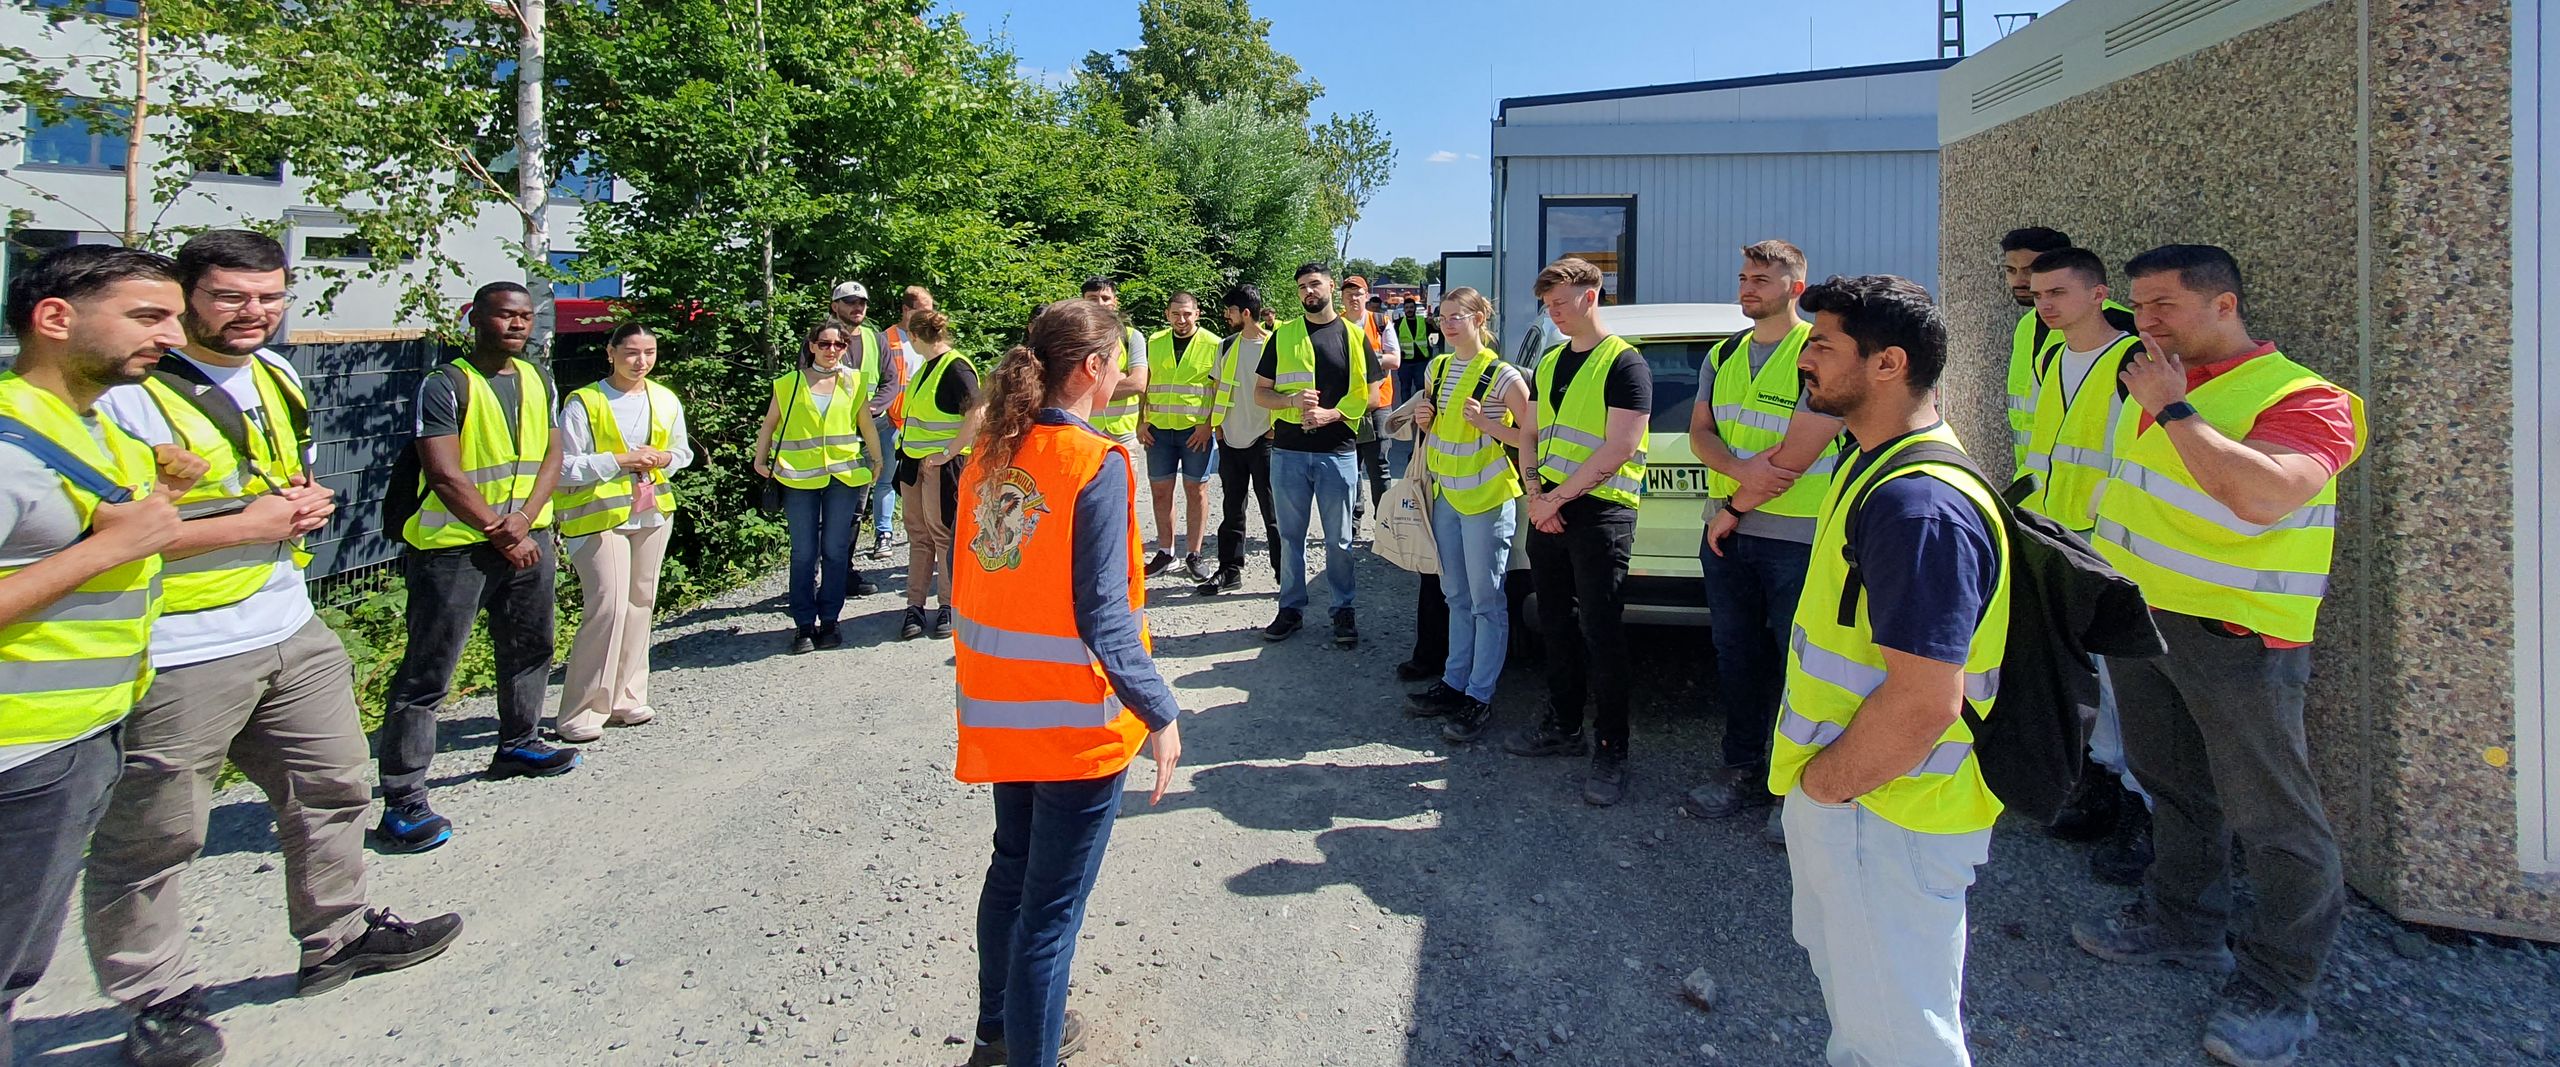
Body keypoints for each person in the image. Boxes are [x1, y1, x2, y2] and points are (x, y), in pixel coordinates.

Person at [83, 232, 463, 1066]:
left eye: (270, 295)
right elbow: (94, 535)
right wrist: (251, 522)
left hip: (287, 622)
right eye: (230, 296)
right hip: (178, 642)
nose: (254, 312)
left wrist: (299, 500)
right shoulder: (129, 395)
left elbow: (273, 481)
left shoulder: (278, 376)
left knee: (333, 787)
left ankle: (338, 934)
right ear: (187, 296)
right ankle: (157, 995)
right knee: (156, 831)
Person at [2071, 245, 2365, 1067]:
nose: (2145, 321)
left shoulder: (2305, 397)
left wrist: (2171, 409)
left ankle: (2279, 986)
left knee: (2276, 817)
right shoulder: (2159, 378)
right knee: (2174, 786)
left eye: (2162, 304)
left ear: (2224, 303)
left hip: (2237, 638)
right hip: (2145, 622)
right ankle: (2183, 925)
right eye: (2138, 304)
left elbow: (2263, 493)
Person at [1771, 273, 2010, 1067]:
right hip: (1875, 804)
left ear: (1887, 363)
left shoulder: (1919, 505)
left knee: (1898, 1041)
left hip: (1888, 811)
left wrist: (1825, 789)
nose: (1806, 360)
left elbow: (1923, 702)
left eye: (1824, 346)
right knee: (1873, 1020)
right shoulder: (1875, 464)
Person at [951, 299, 1182, 1067]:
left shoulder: (991, 448)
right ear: (1091, 369)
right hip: (1074, 721)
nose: (1123, 375)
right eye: (1117, 361)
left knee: (1010, 872)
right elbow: (1104, 615)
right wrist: (1160, 710)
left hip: (999, 706)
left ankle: (996, 1031)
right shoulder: (1095, 461)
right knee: (1049, 916)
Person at [0, 245, 190, 1064]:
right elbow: (102, 549)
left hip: (83, 727)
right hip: (20, 746)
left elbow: (105, 546)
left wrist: (164, 502)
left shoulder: (92, 424)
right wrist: (125, 537)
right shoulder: (10, 440)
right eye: (149, 318)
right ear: (54, 318)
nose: (172, 337)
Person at [375, 281, 578, 850]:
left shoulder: (538, 378)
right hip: (454, 549)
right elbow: (443, 473)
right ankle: (404, 795)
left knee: (530, 646)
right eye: (505, 316)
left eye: (525, 317)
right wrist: (500, 528)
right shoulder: (445, 384)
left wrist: (528, 518)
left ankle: (519, 742)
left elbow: (552, 451)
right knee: (428, 672)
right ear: (476, 318)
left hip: (526, 536)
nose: (518, 325)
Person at [1680, 241, 1843, 831]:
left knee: (1799, 662)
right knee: (1736, 656)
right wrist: (1739, 479)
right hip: (1729, 535)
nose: (1748, 288)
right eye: (1745, 277)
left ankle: (1794, 787)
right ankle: (1743, 766)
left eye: (1763, 280)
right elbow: (1701, 433)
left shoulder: (1817, 352)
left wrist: (1733, 501)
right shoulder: (1724, 354)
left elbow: (1801, 449)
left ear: (1795, 288)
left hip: (1796, 537)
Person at [2015, 247, 2156, 885]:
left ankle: (2143, 812)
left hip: (2113, 550)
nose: (2044, 305)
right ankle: (2097, 787)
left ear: (2100, 295)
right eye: (2039, 294)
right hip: (2064, 539)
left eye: (2059, 294)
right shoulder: (2054, 356)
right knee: (2091, 681)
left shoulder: (2130, 362)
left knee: (2127, 689)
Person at [1505, 257, 1649, 807]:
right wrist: (1536, 493)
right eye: (1548, 306)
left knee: (1602, 631)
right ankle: (1563, 725)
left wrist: (1555, 500)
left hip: (1599, 514)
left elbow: (1621, 447)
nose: (1554, 314)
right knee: (1556, 624)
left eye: (1561, 303)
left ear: (1592, 296)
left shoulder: (1626, 365)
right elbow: (1531, 431)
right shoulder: (1549, 360)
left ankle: (1612, 750)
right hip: (1550, 509)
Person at [1399, 287, 1534, 743]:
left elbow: (1533, 438)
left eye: (1458, 316)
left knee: (1486, 602)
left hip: (1488, 500)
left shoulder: (1504, 376)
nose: (1449, 324)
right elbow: (1437, 427)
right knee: (1454, 595)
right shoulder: (1437, 368)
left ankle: (1479, 696)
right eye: (1444, 316)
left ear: (1480, 319)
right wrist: (1424, 418)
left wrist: (1490, 426)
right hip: (1448, 496)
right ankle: (1454, 683)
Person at [552, 322, 692, 741]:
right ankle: (582, 709)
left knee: (640, 603)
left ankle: (627, 696)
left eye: (649, 352)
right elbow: (563, 466)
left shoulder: (664, 399)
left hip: (652, 513)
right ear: (610, 352)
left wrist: (664, 458)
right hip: (598, 516)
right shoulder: (585, 402)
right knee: (608, 607)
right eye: (632, 352)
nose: (641, 361)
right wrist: (619, 460)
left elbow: (682, 452)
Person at [1254, 263, 1386, 648]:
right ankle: (1291, 609)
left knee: (1339, 539)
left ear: (1331, 286)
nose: (1309, 291)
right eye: (1302, 287)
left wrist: (1333, 413)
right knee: (1290, 537)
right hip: (1289, 452)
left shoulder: (1352, 335)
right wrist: (1291, 400)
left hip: (1337, 452)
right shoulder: (1283, 336)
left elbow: (1374, 395)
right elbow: (1261, 393)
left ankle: (1343, 609)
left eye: (1315, 284)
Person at [753, 321, 886, 654]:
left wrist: (877, 459)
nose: (831, 350)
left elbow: (865, 423)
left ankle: (830, 620)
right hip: (798, 477)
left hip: (843, 476)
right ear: (811, 346)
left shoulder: (854, 381)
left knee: (836, 550)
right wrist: (760, 459)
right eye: (824, 344)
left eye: (838, 345)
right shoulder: (788, 383)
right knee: (803, 552)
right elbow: (769, 423)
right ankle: (803, 624)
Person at [894, 310, 982, 641]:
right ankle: (914, 606)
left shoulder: (955, 367)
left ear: (915, 337)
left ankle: (948, 605)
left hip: (942, 467)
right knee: (919, 535)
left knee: (943, 534)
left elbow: (978, 412)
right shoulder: (925, 369)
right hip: (915, 465)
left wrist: (949, 452)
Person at [1195, 285, 1279, 595]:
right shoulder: (1226, 346)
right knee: (1232, 509)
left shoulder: (1275, 345)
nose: (1225, 316)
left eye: (1230, 310)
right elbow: (1217, 388)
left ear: (1245, 313)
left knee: (1273, 510)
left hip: (1264, 439)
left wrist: (1273, 432)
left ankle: (1284, 574)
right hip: (1230, 439)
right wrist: (1218, 428)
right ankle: (1230, 570)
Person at [1137, 292, 1221, 581]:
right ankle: (1165, 551)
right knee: (1160, 491)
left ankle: (1194, 554)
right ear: (1167, 314)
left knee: (1196, 490)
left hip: (1194, 431)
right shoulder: (1155, 341)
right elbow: (1145, 385)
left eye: (1187, 314)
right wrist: (1141, 421)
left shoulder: (1213, 344)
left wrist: (1208, 425)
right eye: (1176, 314)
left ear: (1197, 314)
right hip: (1158, 430)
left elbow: (1220, 390)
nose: (1181, 320)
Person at [862, 285, 936, 560]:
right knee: (885, 479)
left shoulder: (929, 339)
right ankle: (884, 534)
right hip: (892, 422)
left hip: (922, 425)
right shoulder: (885, 339)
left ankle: (926, 531)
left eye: (931, 310)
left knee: (925, 481)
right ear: (907, 310)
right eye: (923, 310)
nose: (929, 315)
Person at [1998, 227, 2075, 470]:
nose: (2019, 281)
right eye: (2011, 270)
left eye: (2030, 270)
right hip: (2032, 480)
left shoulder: (2116, 324)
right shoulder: (2026, 325)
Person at [1339, 278, 1401, 524]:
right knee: (1348, 468)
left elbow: (1395, 360)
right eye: (1348, 294)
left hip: (1379, 405)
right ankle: (1353, 523)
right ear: (1342, 298)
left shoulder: (1380, 321)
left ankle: (1383, 524)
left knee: (1379, 468)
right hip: (1346, 404)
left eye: (1358, 293)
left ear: (1366, 296)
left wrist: (1363, 357)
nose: (1354, 298)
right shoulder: (1337, 324)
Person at [1079, 276, 1150, 451]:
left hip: (1123, 432)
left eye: (1105, 298)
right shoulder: (1074, 337)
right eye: (1092, 299)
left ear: (1115, 302)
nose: (1100, 304)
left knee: (1125, 479)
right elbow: (1069, 384)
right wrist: (1120, 376)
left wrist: (1092, 385)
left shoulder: (1132, 337)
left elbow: (1138, 384)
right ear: (1083, 302)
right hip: (1084, 427)